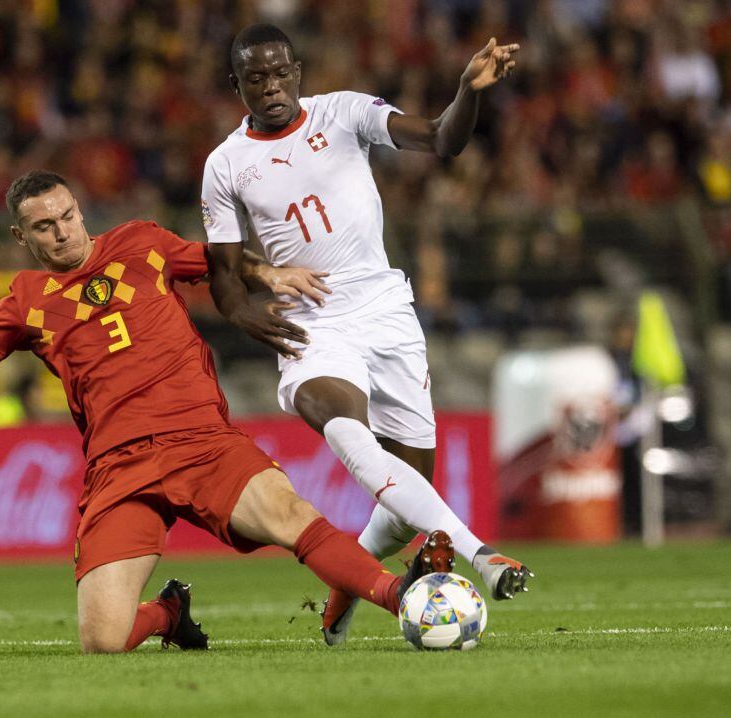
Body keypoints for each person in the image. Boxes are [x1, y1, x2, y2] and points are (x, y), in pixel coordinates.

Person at [0, 170, 452, 654]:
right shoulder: (26, 300)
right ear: (20, 237)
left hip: (199, 440)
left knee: (291, 517)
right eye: (42, 227)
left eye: (66, 217)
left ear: (79, 211)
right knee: (103, 640)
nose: (60, 233)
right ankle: (169, 613)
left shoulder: (142, 245)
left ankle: (406, 598)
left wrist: (270, 274)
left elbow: (220, 260)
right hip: (119, 469)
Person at [201, 24, 533, 646]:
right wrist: (247, 315)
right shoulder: (225, 165)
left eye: (280, 74)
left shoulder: (345, 112)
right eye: (255, 79)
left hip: (384, 309)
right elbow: (222, 274)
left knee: (409, 492)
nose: (270, 88)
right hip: (311, 322)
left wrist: (469, 90)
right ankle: (480, 554)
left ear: (297, 72)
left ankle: (344, 585)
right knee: (347, 431)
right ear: (237, 85)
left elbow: (441, 139)